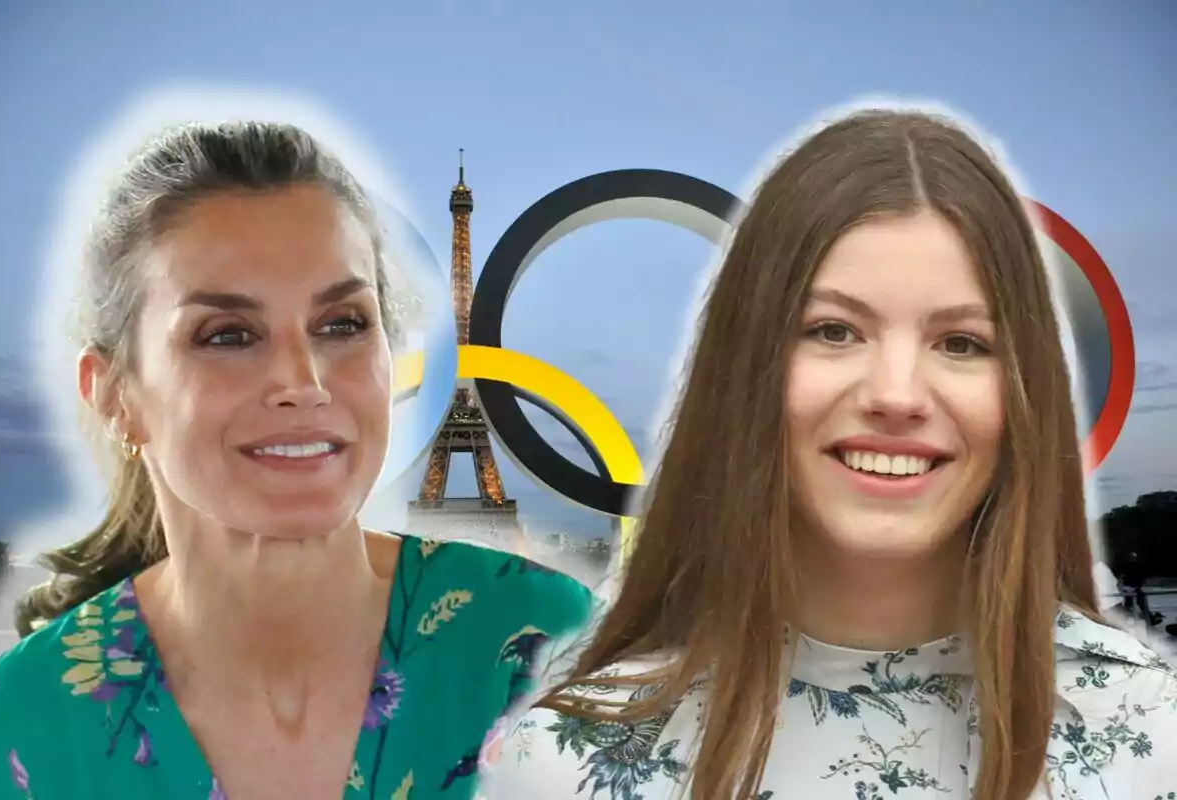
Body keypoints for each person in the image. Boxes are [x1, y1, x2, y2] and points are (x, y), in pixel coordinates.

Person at [478, 108, 1177, 800]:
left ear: (1026, 391)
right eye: (835, 331)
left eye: (960, 343)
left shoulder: (1156, 736)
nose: (897, 395)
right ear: (743, 366)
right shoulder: (558, 765)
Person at [0, 121, 593, 800]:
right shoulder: (8, 731)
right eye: (229, 335)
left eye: (342, 324)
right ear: (115, 394)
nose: (304, 382)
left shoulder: (558, 649)